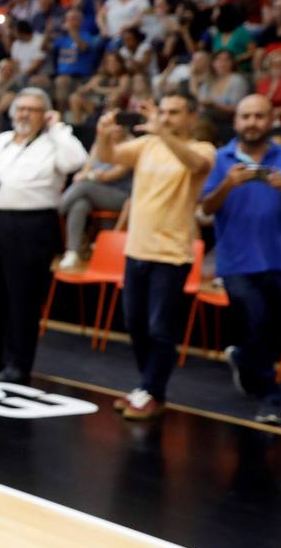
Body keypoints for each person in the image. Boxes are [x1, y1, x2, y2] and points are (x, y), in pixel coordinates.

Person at [93, 94, 217, 419]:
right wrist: (103, 134)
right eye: (162, 112)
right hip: (136, 249)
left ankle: (151, 390)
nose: (166, 118)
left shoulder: (203, 149)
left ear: (191, 116)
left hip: (172, 253)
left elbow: (196, 165)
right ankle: (148, 387)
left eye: (174, 113)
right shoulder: (148, 145)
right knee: (135, 324)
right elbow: (108, 156)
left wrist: (161, 131)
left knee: (160, 327)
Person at [199, 95, 281, 425]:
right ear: (236, 122)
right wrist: (227, 184)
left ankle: (243, 357)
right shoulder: (221, 158)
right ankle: (270, 397)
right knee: (255, 320)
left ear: (270, 121)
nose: (252, 122)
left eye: (258, 116)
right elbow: (206, 208)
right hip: (236, 260)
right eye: (245, 116)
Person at [0, 88, 87, 382]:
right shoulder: (0, 141)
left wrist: (57, 127)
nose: (24, 114)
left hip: (30, 225)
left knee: (23, 297)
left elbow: (76, 161)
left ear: (44, 114)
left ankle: (19, 362)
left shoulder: (54, 144)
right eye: (21, 109)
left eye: (32, 110)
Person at [57, 142, 132, 270]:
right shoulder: (98, 145)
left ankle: (54, 213)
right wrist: (89, 175)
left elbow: (111, 176)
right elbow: (85, 170)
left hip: (121, 196)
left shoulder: (131, 145)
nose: (116, 127)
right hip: (95, 192)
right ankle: (72, 252)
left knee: (83, 186)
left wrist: (90, 176)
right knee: (79, 205)